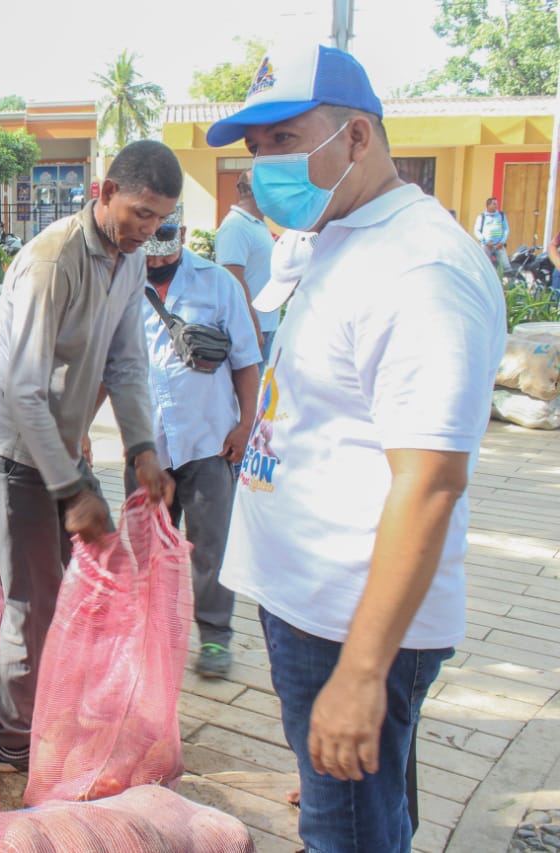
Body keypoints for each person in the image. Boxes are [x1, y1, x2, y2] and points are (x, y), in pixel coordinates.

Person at [206, 44, 506, 852]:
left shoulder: (422, 271)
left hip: (350, 622)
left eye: (286, 137)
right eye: (257, 146)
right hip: (311, 604)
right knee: (366, 815)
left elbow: (433, 481)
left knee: (344, 833)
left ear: (359, 139)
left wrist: (364, 673)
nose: (266, 161)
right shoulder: (343, 235)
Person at [0, 139, 179, 774]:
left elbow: (127, 362)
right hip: (11, 446)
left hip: (60, 445)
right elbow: (21, 391)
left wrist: (141, 447)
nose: (149, 230)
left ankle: (63, 704)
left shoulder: (129, 259)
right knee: (35, 599)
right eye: (140, 212)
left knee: (90, 578)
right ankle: (14, 738)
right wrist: (72, 490)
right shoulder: (51, 261)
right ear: (104, 191)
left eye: (161, 219)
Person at [136, 202, 261, 679]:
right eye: (147, 246)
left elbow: (247, 360)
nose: (153, 258)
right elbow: (110, 366)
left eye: (164, 241)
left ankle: (214, 637)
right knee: (148, 547)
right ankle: (153, 636)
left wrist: (245, 423)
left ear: (182, 232)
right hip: (147, 446)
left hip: (210, 440)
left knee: (211, 547)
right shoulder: (121, 284)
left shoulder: (217, 284)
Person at [215, 170, 277, 364]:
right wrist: (253, 328)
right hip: (252, 329)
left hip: (266, 325)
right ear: (251, 191)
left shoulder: (257, 224)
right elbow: (233, 281)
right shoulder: (236, 226)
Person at [474, 196, 510, 276]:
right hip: (487, 245)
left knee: (506, 267)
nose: (496, 206)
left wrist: (502, 242)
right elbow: (476, 231)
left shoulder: (501, 215)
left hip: (499, 245)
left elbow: (506, 229)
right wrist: (485, 241)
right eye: (494, 204)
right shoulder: (482, 217)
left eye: (497, 204)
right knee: (483, 265)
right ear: (488, 205)